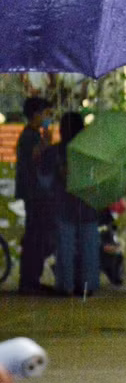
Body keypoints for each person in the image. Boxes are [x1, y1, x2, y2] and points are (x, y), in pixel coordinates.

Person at [46, 111, 100, 297]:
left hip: (64, 205)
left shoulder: (58, 150)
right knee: (89, 248)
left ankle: (65, 285)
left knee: (65, 247)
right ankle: (88, 285)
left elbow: (51, 177)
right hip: (88, 203)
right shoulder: (89, 151)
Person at [14, 96, 56, 294]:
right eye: (46, 114)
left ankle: (32, 279)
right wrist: (46, 143)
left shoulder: (34, 134)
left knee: (36, 235)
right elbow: (33, 158)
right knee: (35, 235)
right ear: (36, 114)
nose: (48, 118)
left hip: (36, 192)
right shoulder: (29, 136)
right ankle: (29, 281)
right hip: (34, 193)